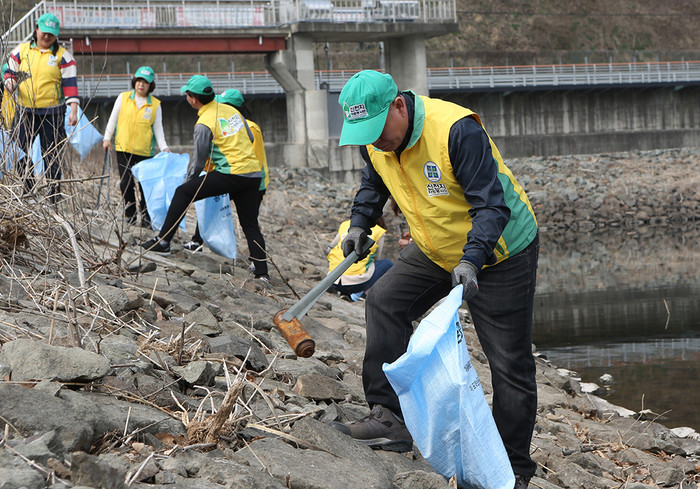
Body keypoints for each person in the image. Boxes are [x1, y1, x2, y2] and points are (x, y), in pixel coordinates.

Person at [328, 70, 539, 489]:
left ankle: (511, 470)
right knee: (384, 301)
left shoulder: (455, 130)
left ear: (399, 106)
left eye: (378, 131)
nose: (375, 142)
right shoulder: (378, 142)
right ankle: (388, 418)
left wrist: (473, 259)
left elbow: (492, 207)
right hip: (436, 247)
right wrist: (359, 225)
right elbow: (373, 185)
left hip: (499, 252)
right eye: (365, 135)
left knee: (509, 364)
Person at [140, 75, 269, 280]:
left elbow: (199, 162)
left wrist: (188, 183)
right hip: (253, 174)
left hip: (231, 173)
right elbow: (250, 137)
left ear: (193, 99)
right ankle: (262, 273)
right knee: (250, 224)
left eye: (187, 94)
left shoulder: (203, 123)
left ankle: (163, 242)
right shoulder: (232, 111)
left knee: (183, 193)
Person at [182, 88, 269, 261]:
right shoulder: (225, 123)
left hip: (250, 182)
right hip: (231, 175)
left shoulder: (249, 127)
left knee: (249, 224)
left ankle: (257, 261)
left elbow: (253, 158)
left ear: (232, 107)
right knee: (210, 205)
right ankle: (197, 240)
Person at [3, 12, 79, 201]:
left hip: (52, 113)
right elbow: (9, 71)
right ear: (36, 29)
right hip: (24, 111)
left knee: (52, 154)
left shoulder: (63, 56)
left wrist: (73, 109)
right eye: (43, 32)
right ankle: (28, 189)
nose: (46, 36)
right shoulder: (22, 50)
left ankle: (54, 194)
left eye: (51, 34)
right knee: (18, 151)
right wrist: (10, 82)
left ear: (56, 35)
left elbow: (70, 84)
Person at [103, 66, 169, 226]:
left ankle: (146, 217)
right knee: (126, 183)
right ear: (134, 82)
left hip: (144, 151)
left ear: (150, 85)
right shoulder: (123, 97)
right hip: (123, 148)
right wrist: (107, 138)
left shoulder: (155, 104)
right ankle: (130, 215)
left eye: (145, 82)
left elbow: (158, 128)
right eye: (139, 81)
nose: (141, 84)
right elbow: (113, 119)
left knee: (145, 185)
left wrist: (164, 147)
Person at [327, 218, 393, 301]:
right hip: (355, 285)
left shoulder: (345, 224)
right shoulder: (379, 231)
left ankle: (345, 293)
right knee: (387, 264)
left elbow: (330, 248)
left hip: (331, 279)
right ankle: (364, 295)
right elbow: (377, 258)